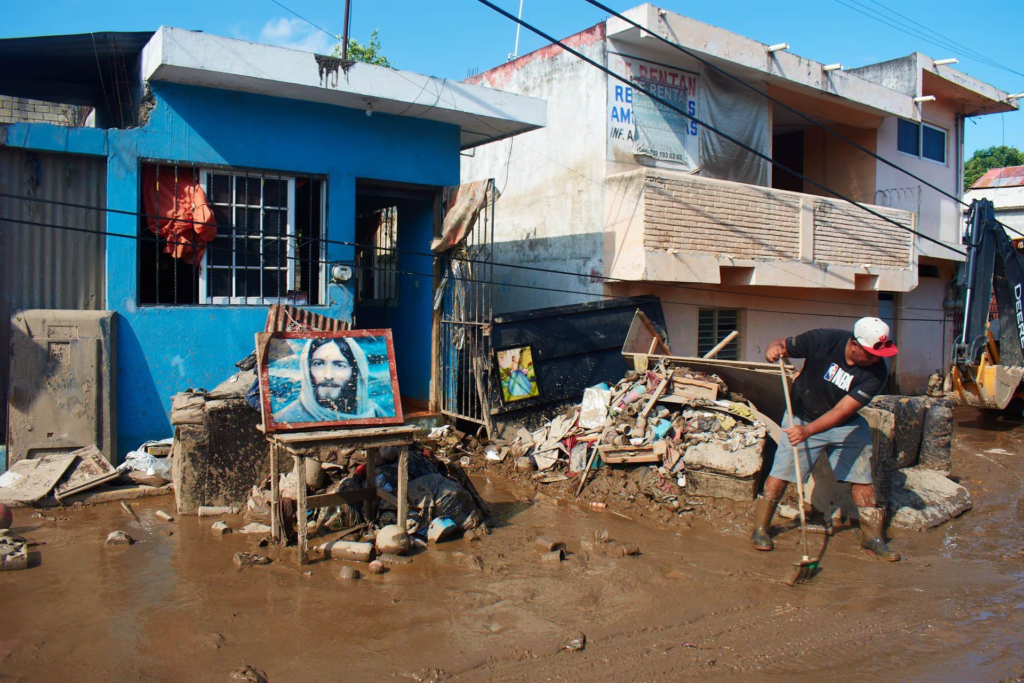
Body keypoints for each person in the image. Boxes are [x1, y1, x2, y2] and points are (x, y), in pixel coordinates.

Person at [751, 317, 901, 562]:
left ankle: (872, 538)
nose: (877, 359)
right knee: (782, 472)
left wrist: (808, 431)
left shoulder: (877, 373)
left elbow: (842, 411)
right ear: (854, 345)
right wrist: (772, 349)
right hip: (801, 415)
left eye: (879, 354)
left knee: (862, 477)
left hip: (845, 424)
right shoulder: (823, 340)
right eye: (872, 354)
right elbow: (780, 344)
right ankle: (760, 529)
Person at [275, 337, 390, 423]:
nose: (328, 375)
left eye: (339, 365)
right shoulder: (285, 419)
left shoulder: (375, 413)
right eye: (318, 364)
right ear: (308, 369)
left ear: (355, 371)